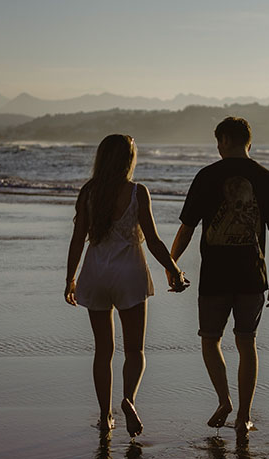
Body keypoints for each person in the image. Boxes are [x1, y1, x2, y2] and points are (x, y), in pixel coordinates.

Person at [65, 134, 189, 437]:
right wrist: (174, 270)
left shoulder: (89, 193)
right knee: (134, 350)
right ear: (128, 160)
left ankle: (106, 416)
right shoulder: (137, 192)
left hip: (95, 275)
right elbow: (155, 241)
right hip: (129, 274)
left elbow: (77, 239)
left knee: (103, 351)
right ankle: (128, 400)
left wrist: (70, 278)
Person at [169, 117, 269, 433]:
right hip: (252, 275)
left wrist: (170, 264)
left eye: (218, 142)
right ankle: (244, 416)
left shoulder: (207, 176)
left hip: (215, 275)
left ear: (223, 141)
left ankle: (225, 400)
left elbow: (187, 229)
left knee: (210, 340)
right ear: (249, 142)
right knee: (247, 342)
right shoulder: (267, 178)